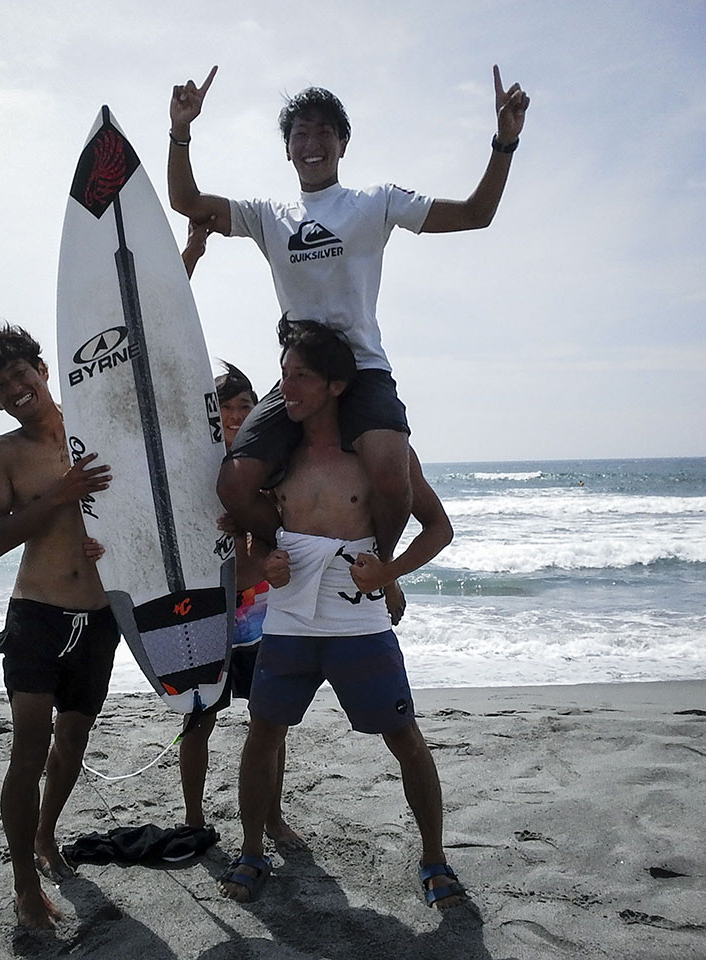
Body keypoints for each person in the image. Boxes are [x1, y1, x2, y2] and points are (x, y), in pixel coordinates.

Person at [167, 65, 529, 624]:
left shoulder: (376, 202)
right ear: (287, 149)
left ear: (342, 144)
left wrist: (504, 141)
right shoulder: (268, 215)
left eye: (323, 133)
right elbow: (187, 200)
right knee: (235, 483)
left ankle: (378, 569)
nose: (312, 144)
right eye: (300, 134)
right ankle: (282, 549)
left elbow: (477, 215)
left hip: (362, 367)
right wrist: (181, 130)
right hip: (299, 375)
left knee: (391, 472)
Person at [217, 318, 463, 910]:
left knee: (404, 736)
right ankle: (252, 848)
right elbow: (253, 556)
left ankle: (434, 859)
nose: (287, 389)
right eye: (283, 377)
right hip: (291, 621)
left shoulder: (379, 454)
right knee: (262, 735)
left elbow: (439, 527)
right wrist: (268, 561)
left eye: (300, 377)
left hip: (357, 619)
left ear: (335, 384)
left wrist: (389, 573)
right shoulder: (276, 459)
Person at [0, 324, 118, 930]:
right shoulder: (3, 454)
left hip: (100, 617)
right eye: (1, 387)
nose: (15, 389)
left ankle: (47, 836)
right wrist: (61, 493)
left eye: (20, 374)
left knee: (72, 742)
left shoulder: (96, 427)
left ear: (43, 369)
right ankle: (24, 883)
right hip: (37, 616)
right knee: (29, 749)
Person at [177, 361, 302, 848]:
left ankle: (272, 818)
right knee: (198, 720)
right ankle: (192, 818)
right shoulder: (192, 469)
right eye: (224, 407)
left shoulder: (270, 463)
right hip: (207, 613)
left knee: (271, 724)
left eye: (244, 406)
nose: (234, 415)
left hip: (264, 613)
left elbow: (290, 523)